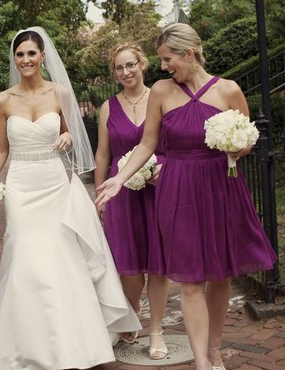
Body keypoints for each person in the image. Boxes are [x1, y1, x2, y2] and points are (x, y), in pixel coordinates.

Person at [95, 23, 277, 370]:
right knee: (191, 281)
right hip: (178, 191)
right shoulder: (162, 92)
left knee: (220, 276)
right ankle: (201, 364)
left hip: (221, 188)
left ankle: (214, 349)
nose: (163, 66)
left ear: (188, 54)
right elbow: (148, 143)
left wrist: (240, 148)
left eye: (167, 59)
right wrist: (119, 179)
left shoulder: (229, 90)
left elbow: (248, 137)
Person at [0, 27, 141, 370]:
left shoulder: (60, 93)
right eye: (19, 54)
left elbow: (72, 133)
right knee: (25, 258)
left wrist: (68, 137)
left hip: (54, 183)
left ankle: (75, 343)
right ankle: (27, 348)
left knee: (61, 258)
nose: (25, 59)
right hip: (21, 187)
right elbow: (1, 151)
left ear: (43, 57)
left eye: (31, 53)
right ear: (14, 59)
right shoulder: (3, 100)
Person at [94, 43, 170, 359]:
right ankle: (132, 309)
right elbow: (102, 153)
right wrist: (100, 195)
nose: (126, 72)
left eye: (130, 65)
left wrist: (164, 167)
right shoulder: (108, 107)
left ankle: (156, 331)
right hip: (120, 192)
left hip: (157, 189)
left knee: (157, 263)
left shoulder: (162, 98)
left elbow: (172, 144)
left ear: (142, 64)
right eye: (119, 68)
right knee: (127, 266)